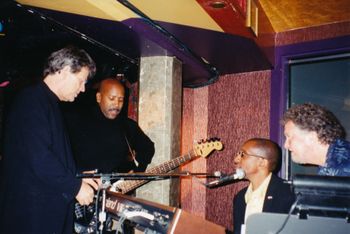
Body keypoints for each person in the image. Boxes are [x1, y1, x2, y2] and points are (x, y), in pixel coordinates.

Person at [0, 46, 99, 234]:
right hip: (32, 217)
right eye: (80, 81)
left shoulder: (44, 101)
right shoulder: (31, 100)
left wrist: (78, 174)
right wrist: (75, 186)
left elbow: (49, 155)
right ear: (63, 71)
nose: (83, 88)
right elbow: (38, 157)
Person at [64, 77, 155, 175]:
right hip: (83, 186)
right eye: (112, 98)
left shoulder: (127, 125)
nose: (116, 104)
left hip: (117, 188)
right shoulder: (77, 120)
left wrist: (138, 170)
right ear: (99, 97)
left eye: (121, 100)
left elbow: (148, 147)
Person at [233, 138, 295, 234]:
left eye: (243, 155)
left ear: (262, 162)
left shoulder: (288, 193)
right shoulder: (240, 197)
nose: (236, 159)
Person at [282, 103, 350, 176]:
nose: (286, 145)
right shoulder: (331, 165)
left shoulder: (343, 169)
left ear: (311, 137)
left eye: (289, 137)